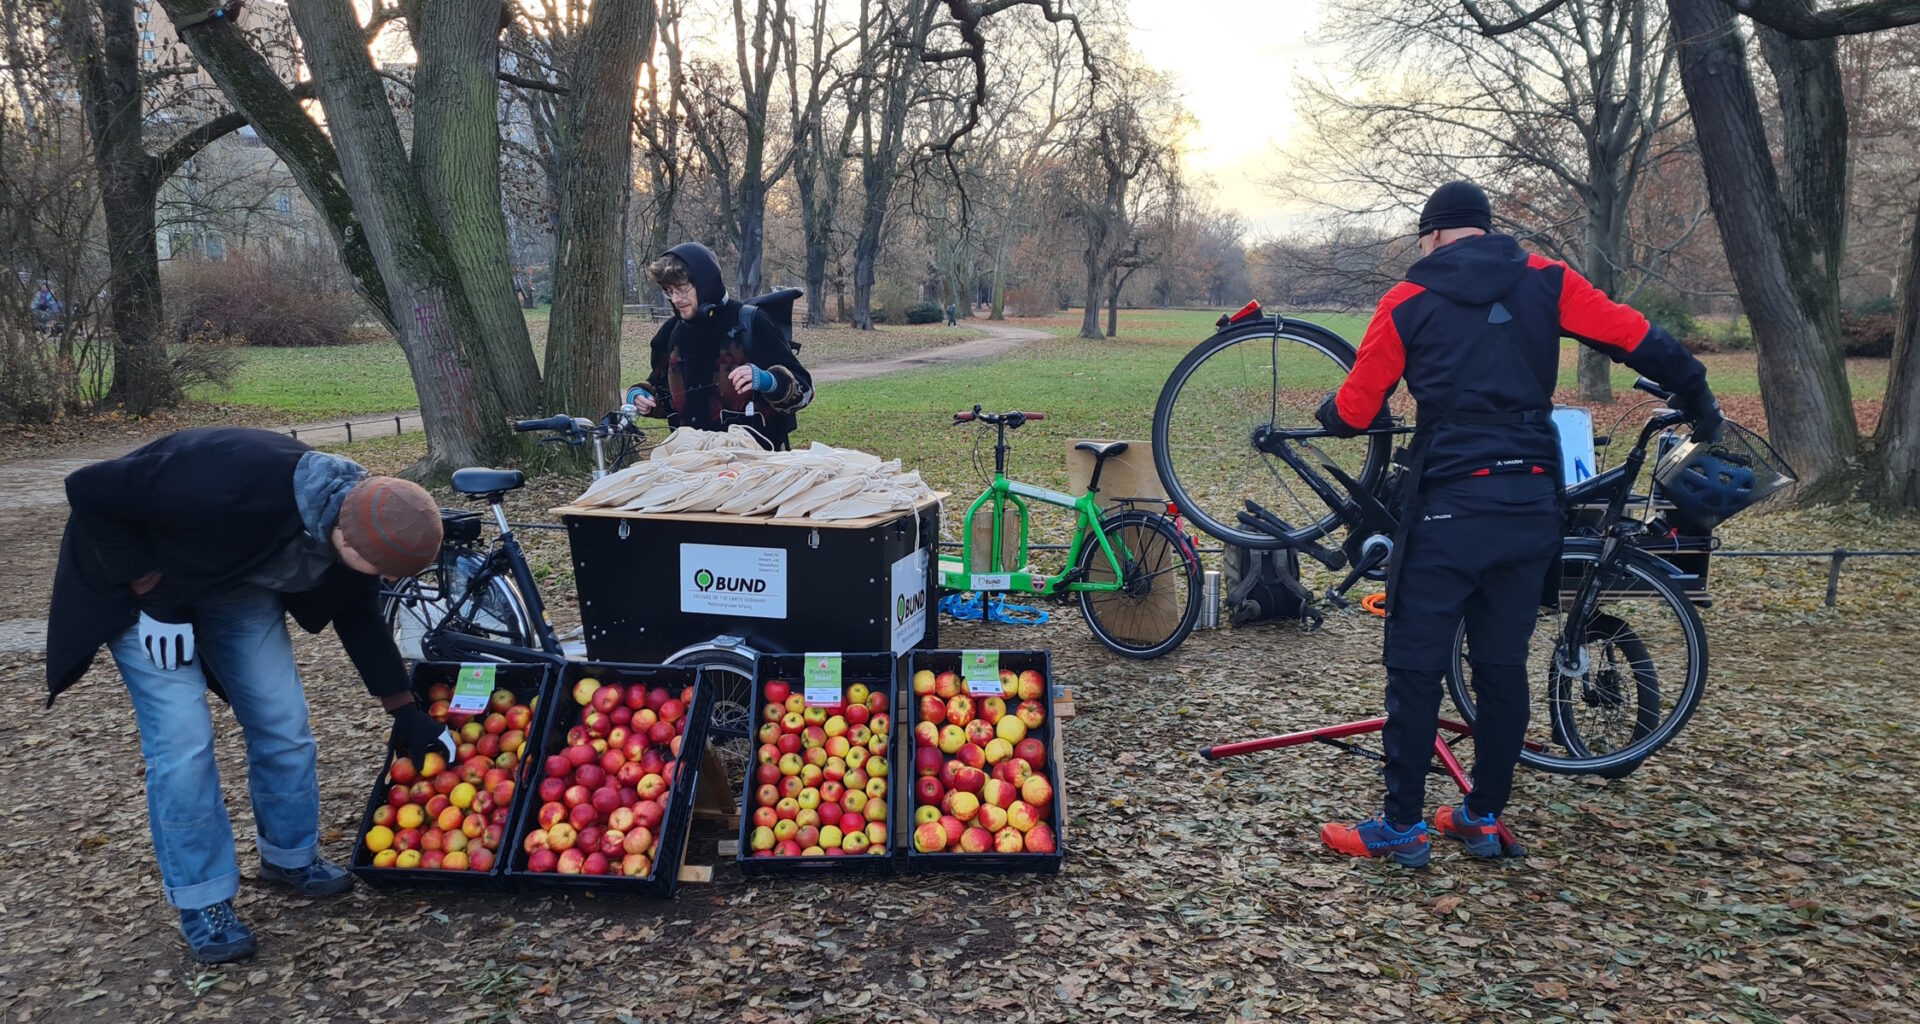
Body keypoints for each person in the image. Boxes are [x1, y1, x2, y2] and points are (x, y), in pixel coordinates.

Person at [1312, 181, 1721, 867]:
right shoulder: (1546, 280)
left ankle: (1402, 826)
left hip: (1448, 502)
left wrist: (1327, 413)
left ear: (1435, 234)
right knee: (1501, 664)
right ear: (1483, 229)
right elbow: (1636, 335)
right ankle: (1479, 816)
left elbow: (1356, 410)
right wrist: (1699, 395)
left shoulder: (1407, 300)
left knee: (1414, 667)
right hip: (1532, 501)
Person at [44, 429, 457, 962]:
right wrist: (151, 591)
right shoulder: (233, 482)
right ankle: (203, 898)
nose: (381, 580)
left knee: (282, 719)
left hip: (232, 582)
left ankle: (289, 857)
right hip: (139, 585)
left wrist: (405, 711)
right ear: (345, 539)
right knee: (184, 742)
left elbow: (359, 613)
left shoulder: (360, 515)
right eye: (378, 570)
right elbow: (89, 487)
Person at [625, 242, 813, 450]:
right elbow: (663, 394)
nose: (676, 299)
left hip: (753, 470)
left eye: (682, 289)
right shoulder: (670, 333)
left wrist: (768, 381)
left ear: (705, 283)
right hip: (691, 467)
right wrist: (642, 397)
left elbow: (805, 390)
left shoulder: (751, 322)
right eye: (670, 291)